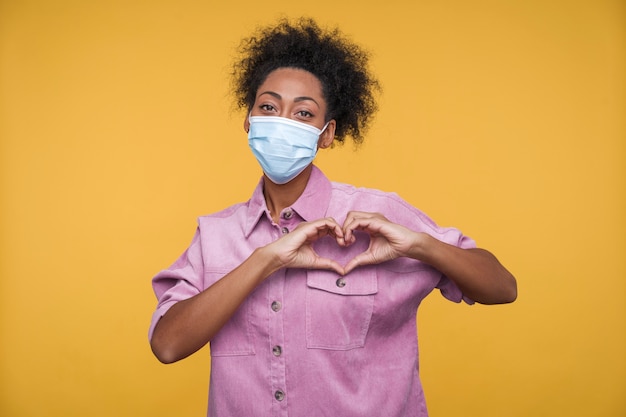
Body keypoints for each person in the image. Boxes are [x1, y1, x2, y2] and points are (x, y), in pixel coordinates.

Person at [149, 17, 517, 417]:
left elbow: (502, 288)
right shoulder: (216, 234)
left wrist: (421, 244)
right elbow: (168, 345)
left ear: (327, 134)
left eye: (303, 114)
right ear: (249, 120)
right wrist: (266, 258)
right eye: (269, 107)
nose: (282, 122)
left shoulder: (380, 217)